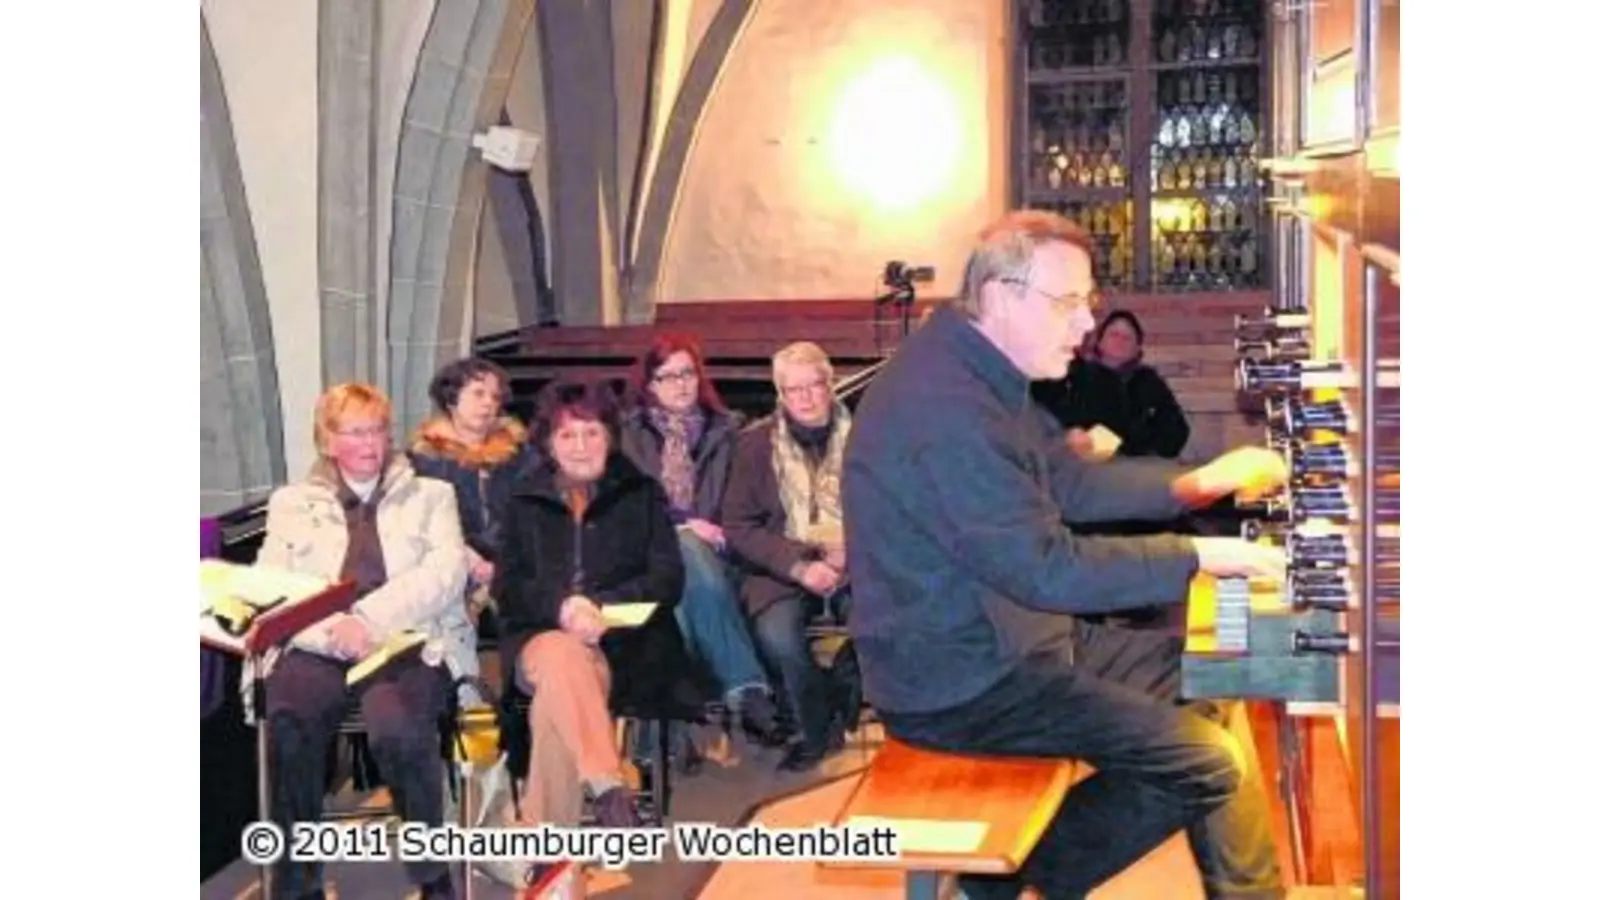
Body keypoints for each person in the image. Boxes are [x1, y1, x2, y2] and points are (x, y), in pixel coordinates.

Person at [842, 210, 1288, 900]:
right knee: (1203, 761)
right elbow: (1046, 568)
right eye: (1069, 302)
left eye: (1090, 302)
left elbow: (1068, 477)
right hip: (963, 682)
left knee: (1222, 671)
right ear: (1000, 296)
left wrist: (1197, 482)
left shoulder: (979, 370)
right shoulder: (945, 407)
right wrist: (1197, 558)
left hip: (1016, 637)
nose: (1086, 324)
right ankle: (994, 890)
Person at [256, 382, 469, 900]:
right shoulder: (290, 503)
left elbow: (444, 573)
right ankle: (296, 884)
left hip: (404, 639)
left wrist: (369, 622)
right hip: (317, 642)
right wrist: (331, 634)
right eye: (355, 432)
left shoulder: (432, 496)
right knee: (292, 721)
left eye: (377, 429)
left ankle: (433, 876)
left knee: (398, 728)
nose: (371, 443)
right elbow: (271, 586)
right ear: (327, 440)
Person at [491, 378, 716, 840]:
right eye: (567, 435)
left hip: (625, 646)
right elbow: (509, 586)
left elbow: (666, 579)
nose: (580, 446)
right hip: (540, 637)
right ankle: (607, 780)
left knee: (558, 698)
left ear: (610, 436)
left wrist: (601, 608)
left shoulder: (641, 493)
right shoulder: (520, 501)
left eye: (591, 432)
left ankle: (549, 849)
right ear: (548, 443)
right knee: (560, 654)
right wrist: (563, 610)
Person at [618, 333, 785, 744]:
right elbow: (626, 506)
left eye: (687, 373)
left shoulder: (733, 432)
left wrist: (714, 532)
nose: (680, 384)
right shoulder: (627, 436)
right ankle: (746, 689)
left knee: (679, 592)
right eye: (667, 376)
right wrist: (682, 527)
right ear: (650, 385)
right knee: (684, 556)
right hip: (649, 557)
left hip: (724, 554)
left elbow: (746, 503)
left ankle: (668, 736)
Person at [722, 341, 856, 772]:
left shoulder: (867, 435)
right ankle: (816, 729)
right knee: (779, 637)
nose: (806, 397)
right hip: (782, 567)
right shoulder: (755, 444)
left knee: (885, 621)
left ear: (831, 383)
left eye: (815, 385)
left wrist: (849, 553)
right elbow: (739, 525)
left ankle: (843, 689)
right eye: (793, 389)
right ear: (780, 394)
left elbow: (895, 506)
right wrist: (799, 566)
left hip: (856, 561)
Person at [409, 357, 538, 702]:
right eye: (478, 393)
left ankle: (520, 708)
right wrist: (465, 555)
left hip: (509, 564)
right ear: (451, 400)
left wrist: (498, 560)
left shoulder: (521, 455)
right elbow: (420, 523)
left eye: (495, 397)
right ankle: (466, 709)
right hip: (451, 563)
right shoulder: (424, 459)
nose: (488, 404)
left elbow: (530, 513)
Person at [1033, 308, 1191, 461]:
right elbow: (1043, 409)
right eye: (1114, 334)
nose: (1119, 341)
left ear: (1137, 349)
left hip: (1134, 465)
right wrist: (1068, 434)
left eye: (1127, 337)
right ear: (1100, 342)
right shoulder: (1074, 373)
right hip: (1079, 463)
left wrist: (1141, 445)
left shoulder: (1148, 382)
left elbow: (1177, 432)